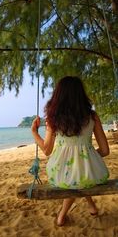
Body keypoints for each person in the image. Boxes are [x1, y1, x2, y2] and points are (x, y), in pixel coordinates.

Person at [31, 76, 109, 227]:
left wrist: (34, 132)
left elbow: (47, 150)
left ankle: (62, 215)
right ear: (81, 94)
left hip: (60, 174)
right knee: (81, 173)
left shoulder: (53, 119)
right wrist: (88, 158)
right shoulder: (92, 116)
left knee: (75, 176)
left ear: (58, 95)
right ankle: (91, 206)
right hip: (92, 175)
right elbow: (105, 151)